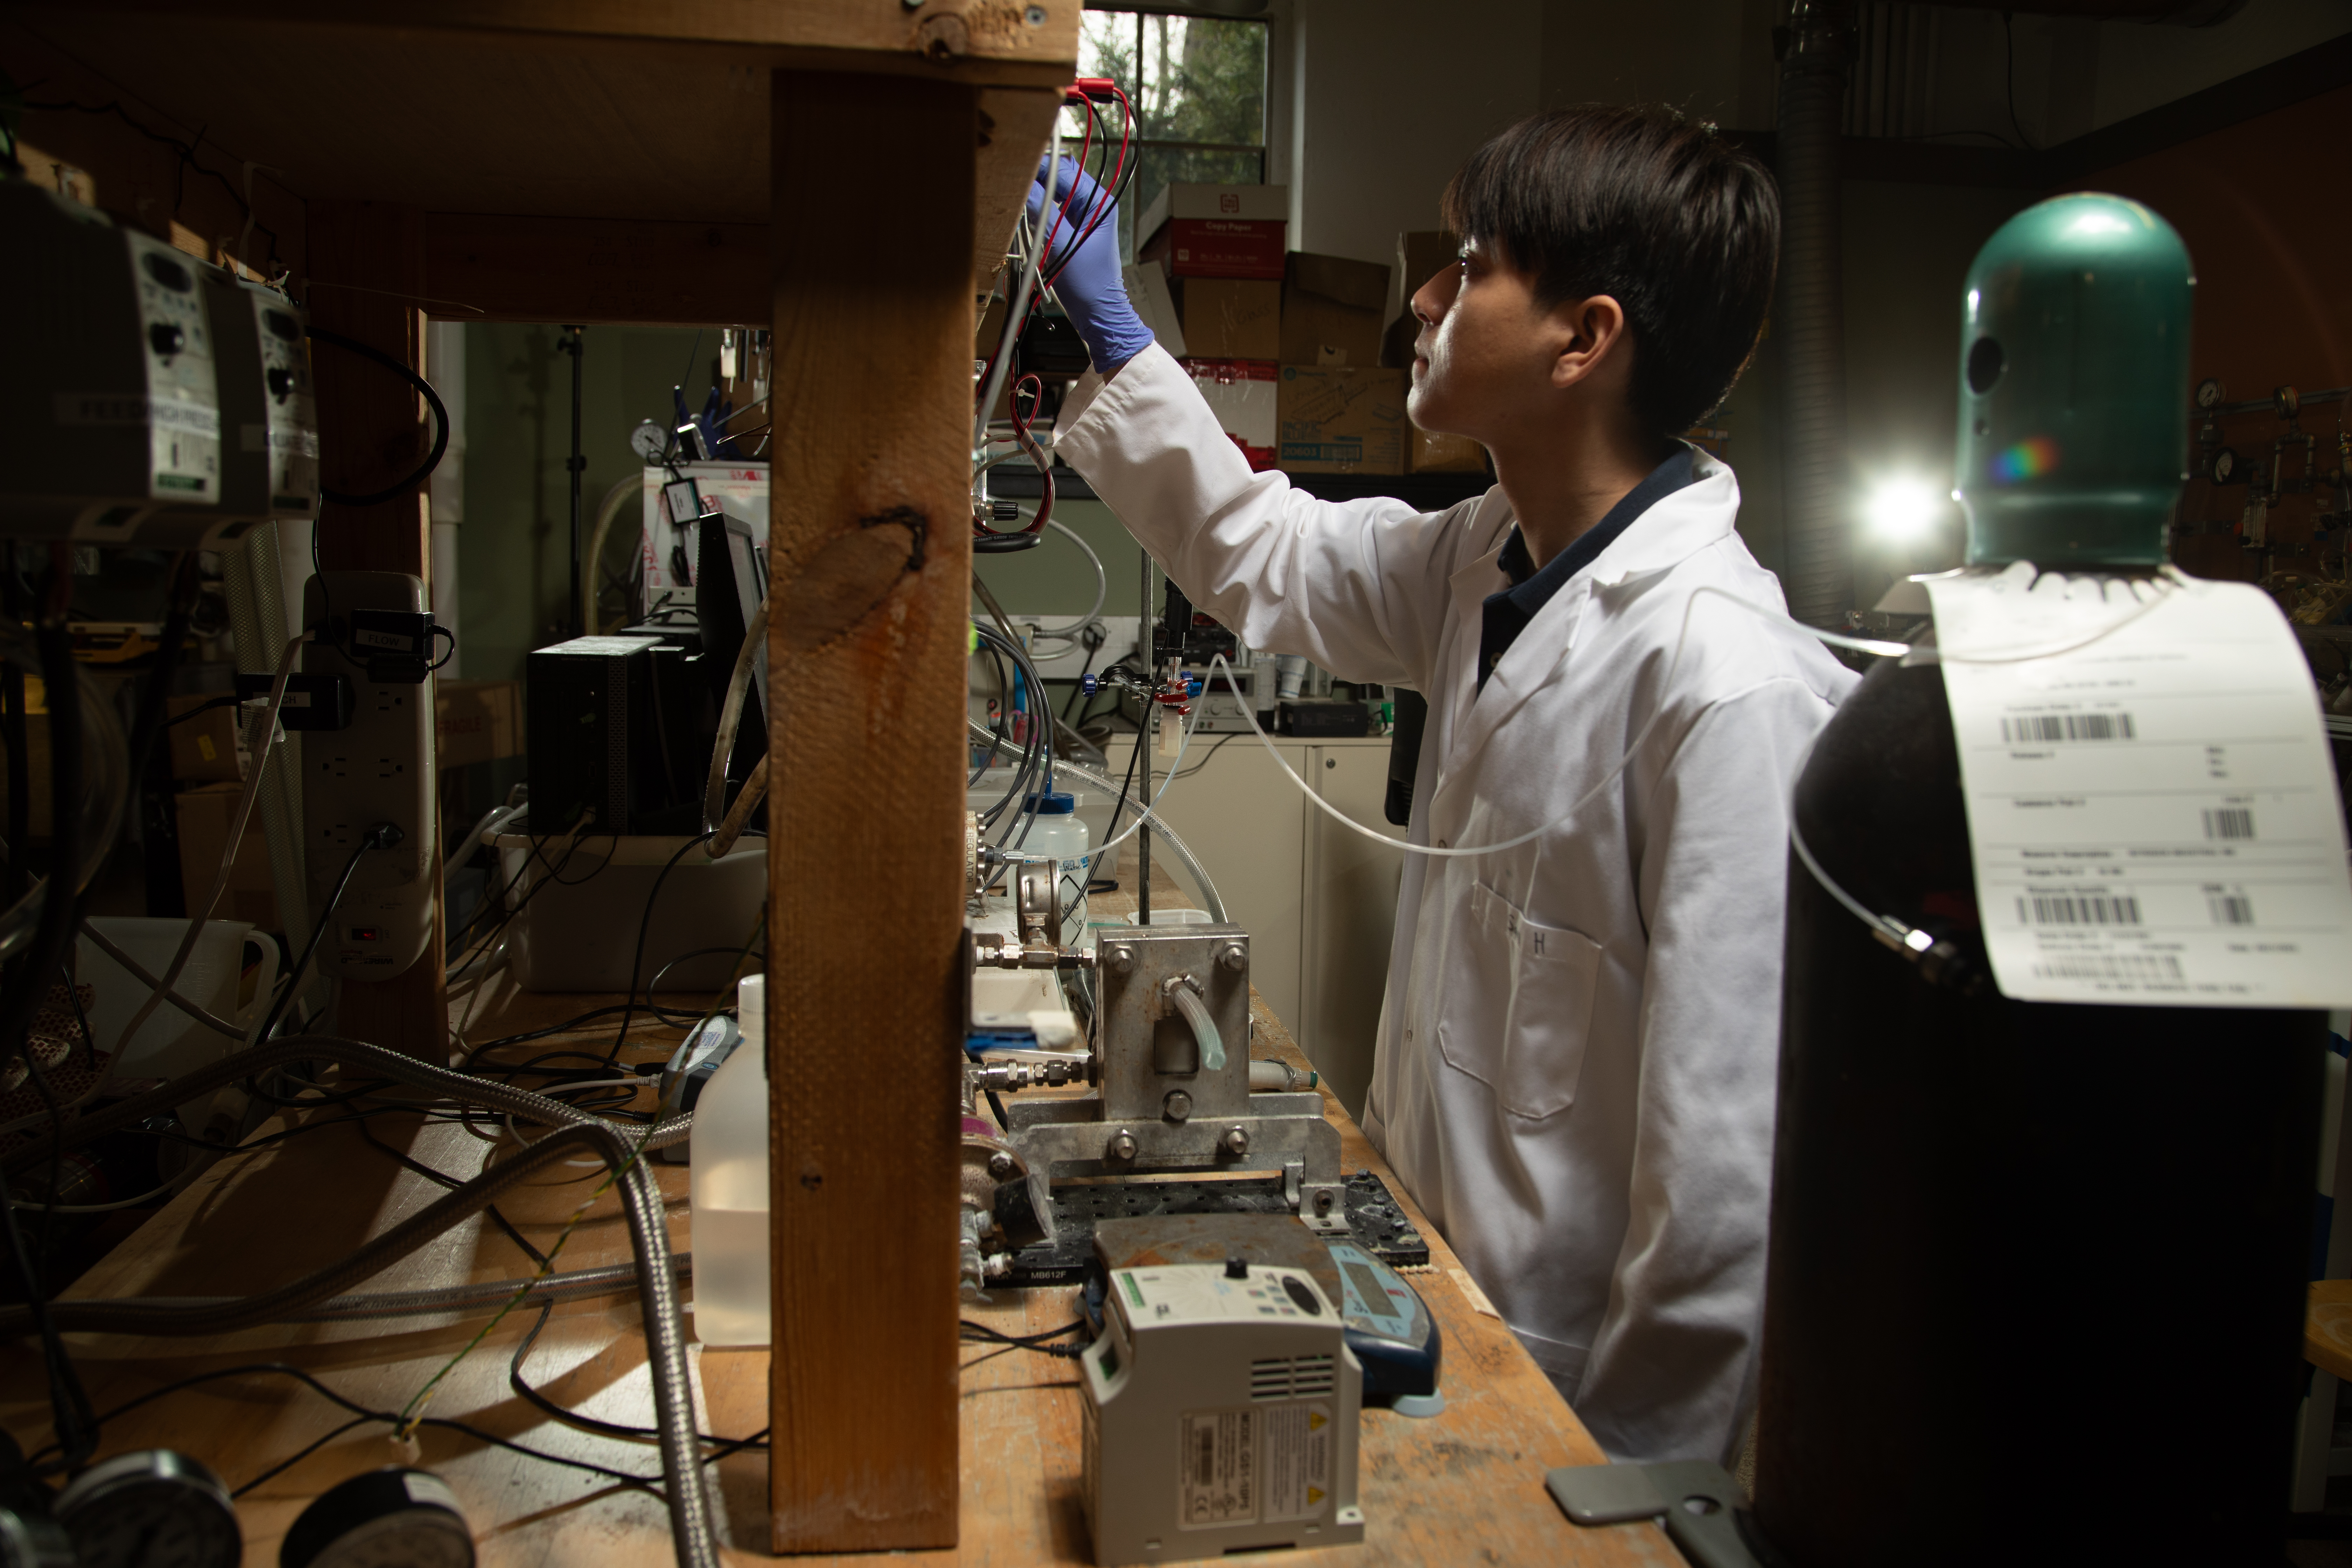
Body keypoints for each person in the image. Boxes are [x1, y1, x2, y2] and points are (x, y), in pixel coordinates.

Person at [1033, 106, 1857, 1465]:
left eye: (1470, 266)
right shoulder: (1483, 561)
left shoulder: (1728, 690)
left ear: (1583, 339)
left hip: (1567, 1406)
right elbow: (1270, 551)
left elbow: (1725, 1205)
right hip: (1422, 1315)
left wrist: (1620, 1493)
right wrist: (1122, 340)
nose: (1421, 296)